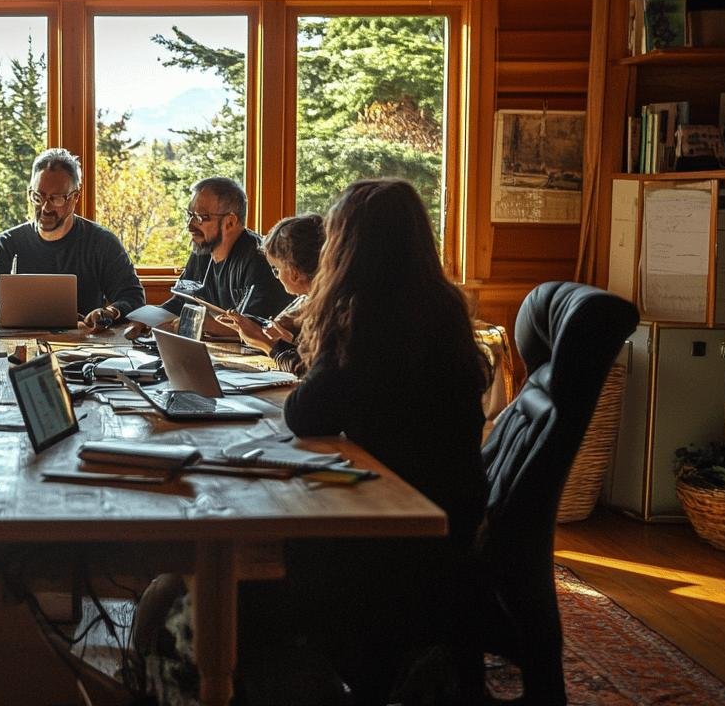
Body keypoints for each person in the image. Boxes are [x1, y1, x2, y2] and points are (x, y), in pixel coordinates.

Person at [240, 179, 489, 705]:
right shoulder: (440, 306)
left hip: (390, 544)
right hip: (443, 524)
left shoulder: (361, 313)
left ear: (347, 245)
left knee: (247, 576)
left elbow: (306, 415)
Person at [0, 148, 144, 330]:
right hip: (17, 346)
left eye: (56, 199)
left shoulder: (101, 243)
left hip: (85, 349)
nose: (45, 207)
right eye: (38, 196)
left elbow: (133, 297)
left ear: (75, 197)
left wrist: (109, 313)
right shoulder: (7, 244)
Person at [121, 177, 288, 339]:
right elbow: (181, 302)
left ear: (230, 222)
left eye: (200, 217)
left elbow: (254, 326)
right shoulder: (202, 250)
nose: (190, 225)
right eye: (189, 215)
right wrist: (146, 321)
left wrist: (197, 322)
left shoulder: (261, 259)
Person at [218, 213, 324, 374]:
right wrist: (254, 324)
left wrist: (266, 343)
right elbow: (280, 328)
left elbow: (309, 371)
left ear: (294, 272)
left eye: (276, 269)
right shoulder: (309, 298)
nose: (276, 276)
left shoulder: (332, 307)